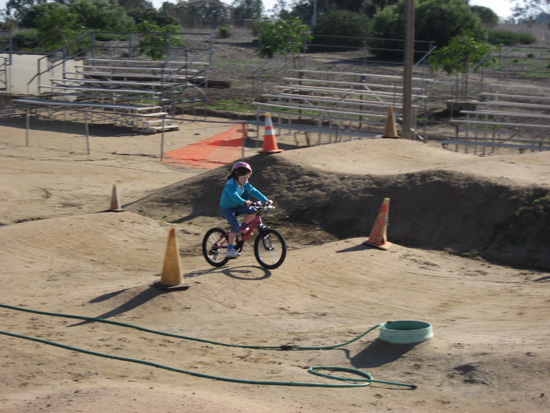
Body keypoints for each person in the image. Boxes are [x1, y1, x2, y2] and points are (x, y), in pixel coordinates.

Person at [220, 161, 273, 258]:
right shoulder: (230, 185)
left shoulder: (245, 183)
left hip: (237, 206)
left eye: (247, 178)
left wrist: (266, 200)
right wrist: (244, 202)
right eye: (243, 178)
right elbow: (234, 196)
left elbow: (254, 191)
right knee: (235, 227)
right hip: (227, 209)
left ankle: (243, 227)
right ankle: (230, 250)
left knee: (253, 210)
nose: (246, 180)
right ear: (237, 176)